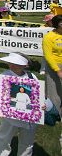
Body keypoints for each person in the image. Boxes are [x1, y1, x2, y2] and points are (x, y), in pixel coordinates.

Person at [0, 52, 44, 156]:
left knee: (27, 142)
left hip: (28, 117)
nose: (11, 65)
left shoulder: (32, 77)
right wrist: (0, 107)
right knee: (4, 137)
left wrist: (41, 104)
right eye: (10, 63)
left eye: (15, 63)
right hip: (9, 116)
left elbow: (37, 95)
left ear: (23, 65)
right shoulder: (4, 75)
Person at [42, 14, 62, 152]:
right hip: (55, 66)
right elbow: (48, 54)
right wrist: (57, 70)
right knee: (54, 92)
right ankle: (54, 114)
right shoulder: (49, 37)